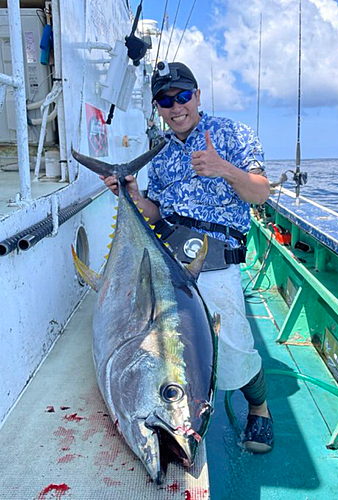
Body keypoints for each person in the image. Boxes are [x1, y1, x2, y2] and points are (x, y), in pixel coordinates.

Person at [102, 61, 274, 453]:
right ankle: (166, 410)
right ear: (157, 108)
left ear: (197, 95)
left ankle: (260, 408)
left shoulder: (231, 133)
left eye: (182, 96)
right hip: (166, 254)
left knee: (230, 343)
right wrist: (129, 193)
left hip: (214, 259)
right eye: (165, 100)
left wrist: (223, 169)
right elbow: (156, 211)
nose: (175, 107)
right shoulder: (160, 152)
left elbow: (260, 193)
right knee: (157, 342)